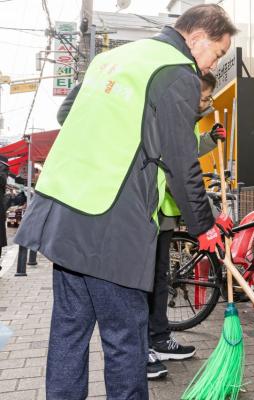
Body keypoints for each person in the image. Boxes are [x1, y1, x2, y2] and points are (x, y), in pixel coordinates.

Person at [14, 5, 237, 399]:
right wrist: (205, 226)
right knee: (125, 337)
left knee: (69, 330)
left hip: (64, 209)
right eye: (218, 53)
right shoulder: (176, 72)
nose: (213, 62)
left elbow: (67, 112)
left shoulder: (111, 58)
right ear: (198, 38)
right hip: (111, 222)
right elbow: (182, 163)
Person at [147, 71, 226, 379]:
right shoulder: (169, 118)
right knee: (146, 284)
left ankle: (159, 338)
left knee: (160, 280)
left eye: (208, 99)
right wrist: (208, 220)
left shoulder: (187, 119)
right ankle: (142, 346)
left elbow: (187, 154)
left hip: (163, 217)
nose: (206, 103)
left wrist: (208, 140)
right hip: (148, 215)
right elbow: (178, 173)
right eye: (203, 97)